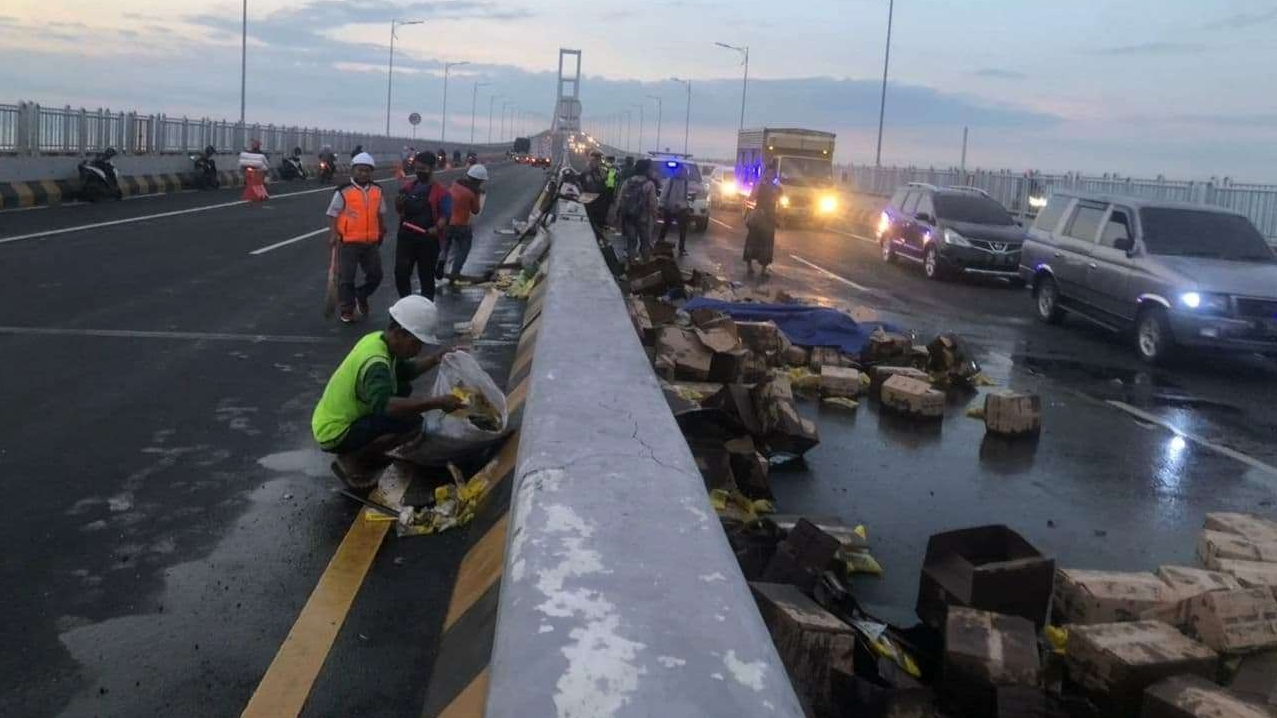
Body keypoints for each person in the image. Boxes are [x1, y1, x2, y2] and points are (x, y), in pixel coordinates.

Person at [311, 295, 465, 490]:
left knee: (403, 390)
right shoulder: (376, 362)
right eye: (416, 343)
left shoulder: (379, 340)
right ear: (400, 333)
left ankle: (367, 452)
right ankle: (353, 460)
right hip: (335, 431)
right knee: (412, 424)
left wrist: (436, 358)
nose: (418, 350)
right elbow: (386, 406)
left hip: (334, 421)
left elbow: (405, 372)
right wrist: (437, 402)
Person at [326, 152, 387, 323]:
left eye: (367, 170)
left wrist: (382, 230)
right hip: (348, 242)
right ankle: (347, 308)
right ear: (353, 170)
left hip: (371, 242)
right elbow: (332, 213)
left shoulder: (377, 190)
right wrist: (333, 233)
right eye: (360, 170)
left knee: (376, 275)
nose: (363, 173)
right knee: (347, 278)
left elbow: (380, 213)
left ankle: (361, 294)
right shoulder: (343, 191)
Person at [394, 151, 452, 300]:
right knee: (401, 273)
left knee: (426, 277)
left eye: (424, 168)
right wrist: (399, 204)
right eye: (418, 168)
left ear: (432, 168)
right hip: (406, 238)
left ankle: (426, 309)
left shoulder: (442, 192)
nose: (420, 171)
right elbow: (400, 211)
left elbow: (445, 216)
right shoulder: (407, 188)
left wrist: (437, 228)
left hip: (428, 239)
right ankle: (406, 306)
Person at [440, 164, 487, 282]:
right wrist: (478, 195)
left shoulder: (454, 184)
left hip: (447, 223)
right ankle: (455, 273)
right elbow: (475, 211)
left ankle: (441, 262)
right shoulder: (472, 193)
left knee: (446, 246)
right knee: (464, 249)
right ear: (479, 181)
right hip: (461, 226)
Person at [612, 158, 659, 263]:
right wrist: (655, 217)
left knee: (631, 242)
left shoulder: (627, 182)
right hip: (643, 219)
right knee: (645, 243)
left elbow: (619, 199)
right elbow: (652, 204)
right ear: (646, 170)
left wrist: (616, 214)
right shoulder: (649, 184)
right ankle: (645, 265)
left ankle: (631, 264)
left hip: (629, 217)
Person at [744, 166, 781, 276]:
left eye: (772, 173)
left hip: (770, 219)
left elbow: (779, 202)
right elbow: (751, 198)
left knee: (767, 244)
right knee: (752, 241)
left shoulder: (777, 188)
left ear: (774, 175)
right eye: (768, 173)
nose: (770, 175)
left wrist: (779, 217)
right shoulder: (759, 186)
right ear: (765, 174)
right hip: (758, 218)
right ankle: (749, 266)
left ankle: (763, 269)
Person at [658, 162, 691, 257]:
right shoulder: (670, 181)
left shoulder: (685, 182)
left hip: (681, 208)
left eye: (685, 172)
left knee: (683, 229)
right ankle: (660, 243)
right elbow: (663, 194)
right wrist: (661, 206)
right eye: (683, 172)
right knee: (665, 226)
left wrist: (686, 206)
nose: (684, 174)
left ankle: (681, 248)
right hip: (669, 208)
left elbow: (685, 196)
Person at [579, 151, 609, 229]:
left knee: (597, 221)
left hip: (598, 200)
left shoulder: (601, 171)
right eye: (594, 160)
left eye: (598, 160)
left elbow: (604, 182)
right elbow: (584, 183)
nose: (597, 162)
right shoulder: (587, 171)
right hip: (589, 198)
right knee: (589, 221)